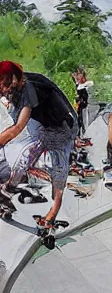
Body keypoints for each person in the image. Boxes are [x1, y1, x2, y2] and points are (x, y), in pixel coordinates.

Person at [0, 61, 77, 228]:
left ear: (14, 80)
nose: (4, 92)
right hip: (43, 123)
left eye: (5, 87)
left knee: (57, 169)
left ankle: (51, 215)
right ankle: (6, 193)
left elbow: (18, 127)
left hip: (60, 129)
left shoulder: (29, 89)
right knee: (25, 156)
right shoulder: (18, 83)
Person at [72, 68, 94, 137]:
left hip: (87, 107)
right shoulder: (78, 86)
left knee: (85, 122)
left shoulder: (88, 84)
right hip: (80, 108)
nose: (76, 76)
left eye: (78, 74)